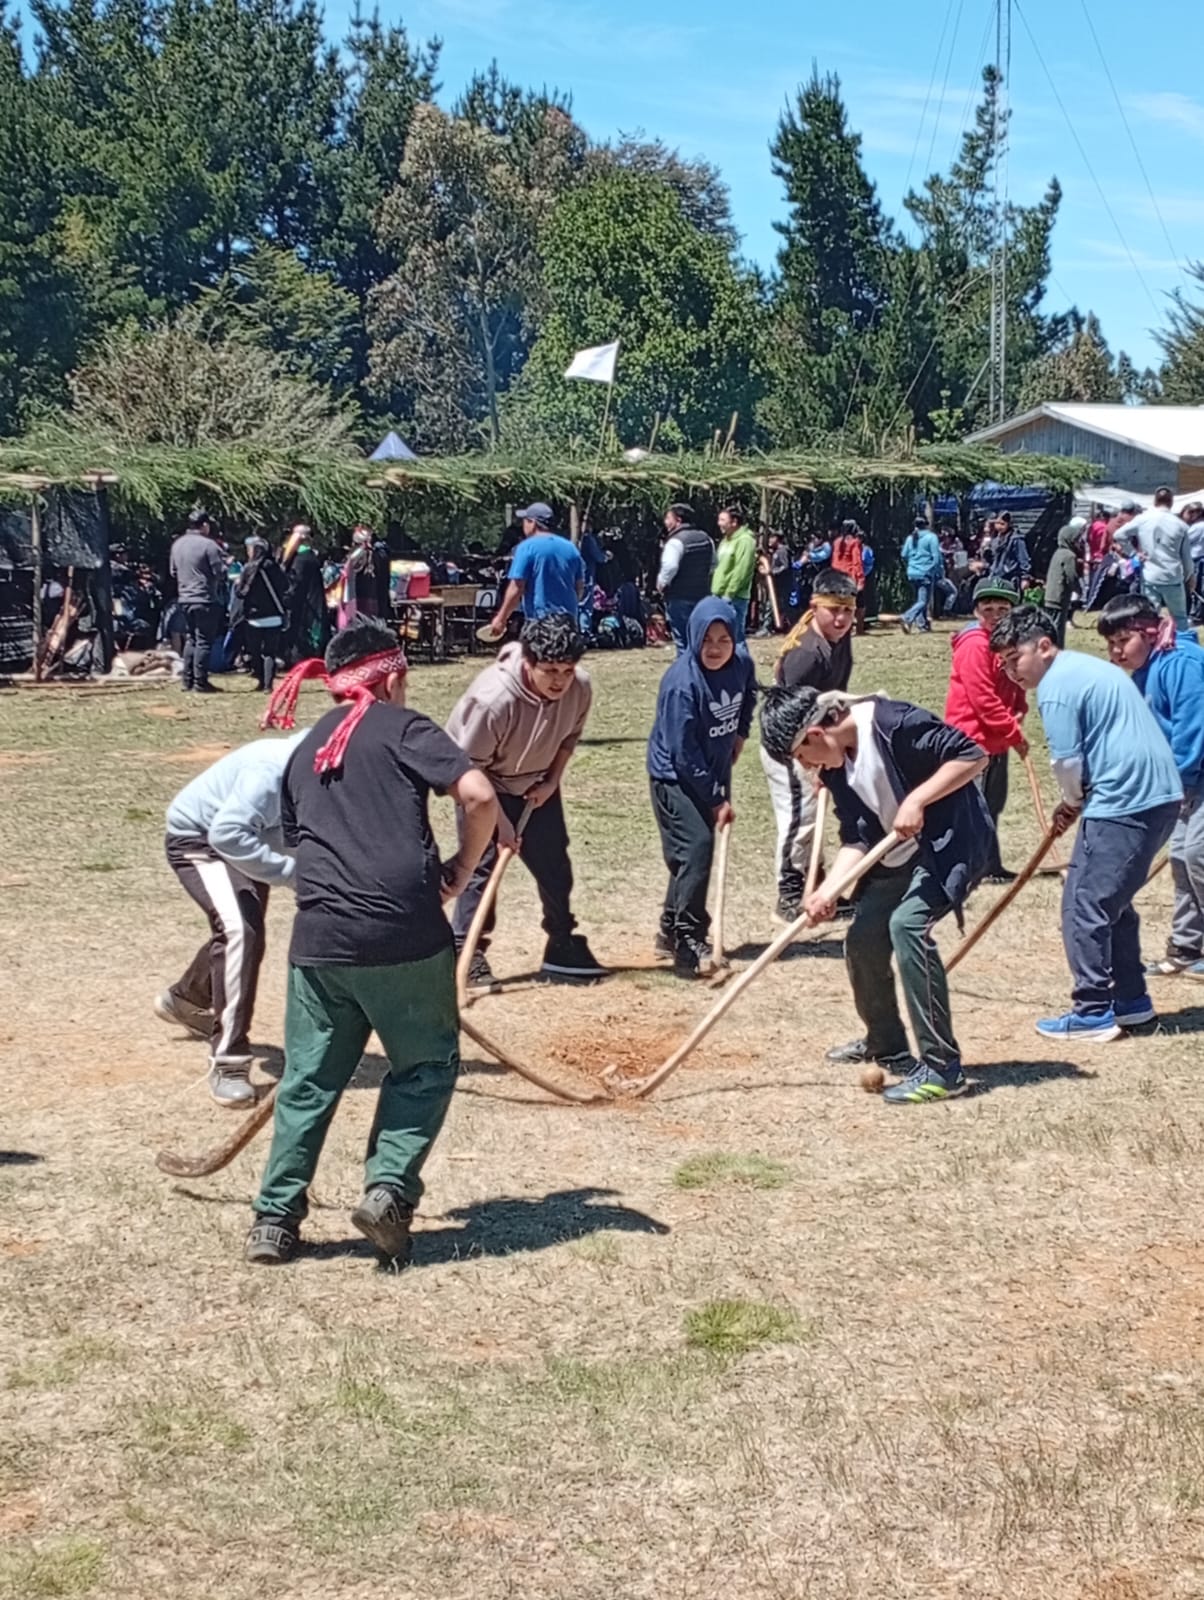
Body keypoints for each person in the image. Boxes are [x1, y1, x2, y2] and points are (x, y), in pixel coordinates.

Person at [247, 615, 497, 1266]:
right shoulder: (403, 727)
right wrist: (461, 870)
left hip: (320, 940)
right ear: (390, 679)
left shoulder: (305, 750)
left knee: (307, 1080)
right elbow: (478, 795)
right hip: (404, 934)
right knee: (425, 1065)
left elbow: (298, 839)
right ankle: (387, 1189)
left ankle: (274, 1220)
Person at [760, 683, 990, 1104]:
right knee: (864, 938)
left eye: (801, 757)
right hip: (898, 857)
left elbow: (973, 754)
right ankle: (887, 1044)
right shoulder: (837, 769)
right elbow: (859, 837)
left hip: (949, 846)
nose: (807, 767)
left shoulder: (893, 724)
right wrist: (828, 891)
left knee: (907, 926)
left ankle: (943, 1068)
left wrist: (917, 800)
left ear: (815, 734)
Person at [991, 606, 1182, 1041]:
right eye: (1004, 663)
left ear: (1044, 646)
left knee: (1085, 906)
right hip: (1153, 797)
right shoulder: (1086, 668)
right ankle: (1131, 1002)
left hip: (1126, 801)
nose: (1012, 671)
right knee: (1112, 904)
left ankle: (1092, 1010)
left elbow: (1066, 761)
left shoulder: (1056, 686)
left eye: (1016, 658)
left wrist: (1072, 800)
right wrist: (1077, 801)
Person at [446, 613, 606, 988]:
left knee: (554, 863)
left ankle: (562, 942)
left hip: (537, 782)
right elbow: (469, 769)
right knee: (481, 865)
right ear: (528, 662)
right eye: (549, 671)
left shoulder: (580, 688)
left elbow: (569, 738)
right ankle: (466, 950)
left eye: (567, 671)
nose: (560, 681)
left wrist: (551, 781)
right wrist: (501, 825)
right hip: (479, 782)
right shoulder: (492, 701)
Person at [157, 730, 307, 1105]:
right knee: (241, 930)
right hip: (203, 839)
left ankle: (186, 998)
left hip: (252, 838)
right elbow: (227, 834)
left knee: (243, 930)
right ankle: (229, 1061)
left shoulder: (335, 768)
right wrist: (293, 875)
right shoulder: (269, 772)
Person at [1097, 595, 1204, 980]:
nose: (1116, 651)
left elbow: (1193, 728)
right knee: (1181, 858)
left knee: (1199, 856)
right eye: (1111, 643)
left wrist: (1176, 781)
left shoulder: (1181, 664)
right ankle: (1187, 947)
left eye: (1123, 640)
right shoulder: (1147, 669)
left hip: (1192, 777)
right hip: (1182, 782)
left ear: (1149, 632)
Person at [647, 596, 755, 976]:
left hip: (713, 766)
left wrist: (740, 734)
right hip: (675, 776)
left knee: (689, 856)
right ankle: (687, 938)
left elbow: (749, 694)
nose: (715, 648)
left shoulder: (741, 664)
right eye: (707, 639)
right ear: (693, 637)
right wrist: (715, 799)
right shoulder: (682, 685)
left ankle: (668, 927)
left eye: (724, 639)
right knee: (697, 847)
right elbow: (683, 753)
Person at [761, 568, 856, 921]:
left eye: (848, 611)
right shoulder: (805, 654)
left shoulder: (840, 639)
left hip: (819, 741)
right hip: (791, 745)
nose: (841, 619)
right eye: (834, 610)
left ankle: (816, 888)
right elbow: (791, 717)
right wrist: (810, 763)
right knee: (799, 818)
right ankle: (789, 894)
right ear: (815, 607)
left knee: (814, 818)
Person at [944, 578, 1028, 884]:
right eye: (987, 608)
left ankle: (989, 865)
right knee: (971, 807)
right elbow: (983, 699)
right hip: (971, 740)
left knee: (993, 803)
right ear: (976, 611)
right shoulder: (974, 645)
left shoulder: (1008, 643)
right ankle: (963, 869)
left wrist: (1020, 708)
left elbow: (1015, 683)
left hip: (997, 739)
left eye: (1002, 609)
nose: (994, 615)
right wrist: (1014, 733)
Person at [489, 502, 585, 637]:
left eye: (524, 521)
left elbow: (517, 587)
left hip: (540, 623)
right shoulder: (571, 548)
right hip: (568, 623)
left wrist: (501, 618)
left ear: (532, 523)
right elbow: (579, 588)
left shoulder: (526, 547)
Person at [169, 508, 227, 693]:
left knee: (191, 639)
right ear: (204, 525)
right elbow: (220, 572)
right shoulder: (209, 545)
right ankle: (200, 682)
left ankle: (187, 681)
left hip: (184, 598)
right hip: (204, 598)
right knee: (203, 641)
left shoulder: (177, 544)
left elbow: (173, 572)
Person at [1124, 488, 1194, 629]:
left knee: (1149, 617)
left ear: (1155, 501)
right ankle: (1182, 641)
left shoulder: (1142, 519)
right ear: (1171, 502)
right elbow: (1186, 557)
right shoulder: (1181, 525)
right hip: (1173, 577)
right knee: (1180, 617)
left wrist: (1133, 553)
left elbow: (1119, 535)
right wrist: (1188, 577)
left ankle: (1150, 640)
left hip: (1149, 576)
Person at [231, 535, 288, 691]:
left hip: (254, 617)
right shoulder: (275, 567)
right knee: (270, 652)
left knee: (255, 651)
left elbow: (241, 593)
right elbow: (285, 587)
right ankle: (268, 685)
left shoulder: (249, 568)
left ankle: (261, 680)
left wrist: (238, 584)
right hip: (274, 616)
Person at [657, 502, 716, 655]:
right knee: (698, 639)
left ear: (678, 520)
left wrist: (661, 583)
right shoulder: (706, 538)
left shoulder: (675, 541)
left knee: (683, 642)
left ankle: (685, 668)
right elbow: (713, 565)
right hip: (702, 595)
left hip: (679, 596)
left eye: (668, 518)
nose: (665, 522)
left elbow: (670, 567)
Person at [282, 524, 329, 662]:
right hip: (311, 600)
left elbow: (296, 582)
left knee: (304, 632)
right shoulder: (309, 556)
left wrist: (286, 598)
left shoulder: (302, 559)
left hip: (305, 603)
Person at [711, 505, 757, 643]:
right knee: (723, 637)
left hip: (734, 598)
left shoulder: (745, 541)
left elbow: (741, 570)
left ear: (734, 522)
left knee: (735, 638)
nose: (719, 523)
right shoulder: (726, 541)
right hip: (718, 594)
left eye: (722, 520)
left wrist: (729, 593)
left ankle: (741, 658)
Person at [1043, 517, 1085, 649]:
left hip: (1050, 595)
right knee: (1058, 628)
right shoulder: (1069, 556)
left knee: (1051, 625)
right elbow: (1071, 576)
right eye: (1076, 539)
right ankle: (1057, 650)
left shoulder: (1057, 553)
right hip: (1060, 597)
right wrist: (1078, 589)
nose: (1078, 542)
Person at [900, 518, 944, 634]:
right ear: (926, 525)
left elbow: (904, 554)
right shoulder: (931, 537)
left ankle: (922, 625)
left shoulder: (910, 538)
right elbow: (936, 557)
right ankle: (907, 617)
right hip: (925, 572)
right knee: (923, 601)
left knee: (920, 600)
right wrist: (937, 570)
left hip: (912, 572)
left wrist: (913, 562)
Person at [336, 527, 379, 629]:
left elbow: (354, 569)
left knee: (361, 618)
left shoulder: (360, 553)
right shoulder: (368, 552)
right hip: (365, 590)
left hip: (358, 591)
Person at [830, 521, 866, 634]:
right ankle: (858, 629)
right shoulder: (854, 543)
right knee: (857, 603)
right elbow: (857, 562)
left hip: (837, 576)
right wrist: (860, 579)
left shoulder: (836, 542)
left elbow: (834, 560)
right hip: (849, 576)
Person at [990, 511, 1032, 592]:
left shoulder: (1016, 539)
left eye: (1002, 524)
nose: (999, 526)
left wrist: (1025, 577)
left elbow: (1023, 558)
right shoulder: (995, 539)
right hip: (995, 577)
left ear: (1009, 524)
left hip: (1011, 578)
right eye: (997, 523)